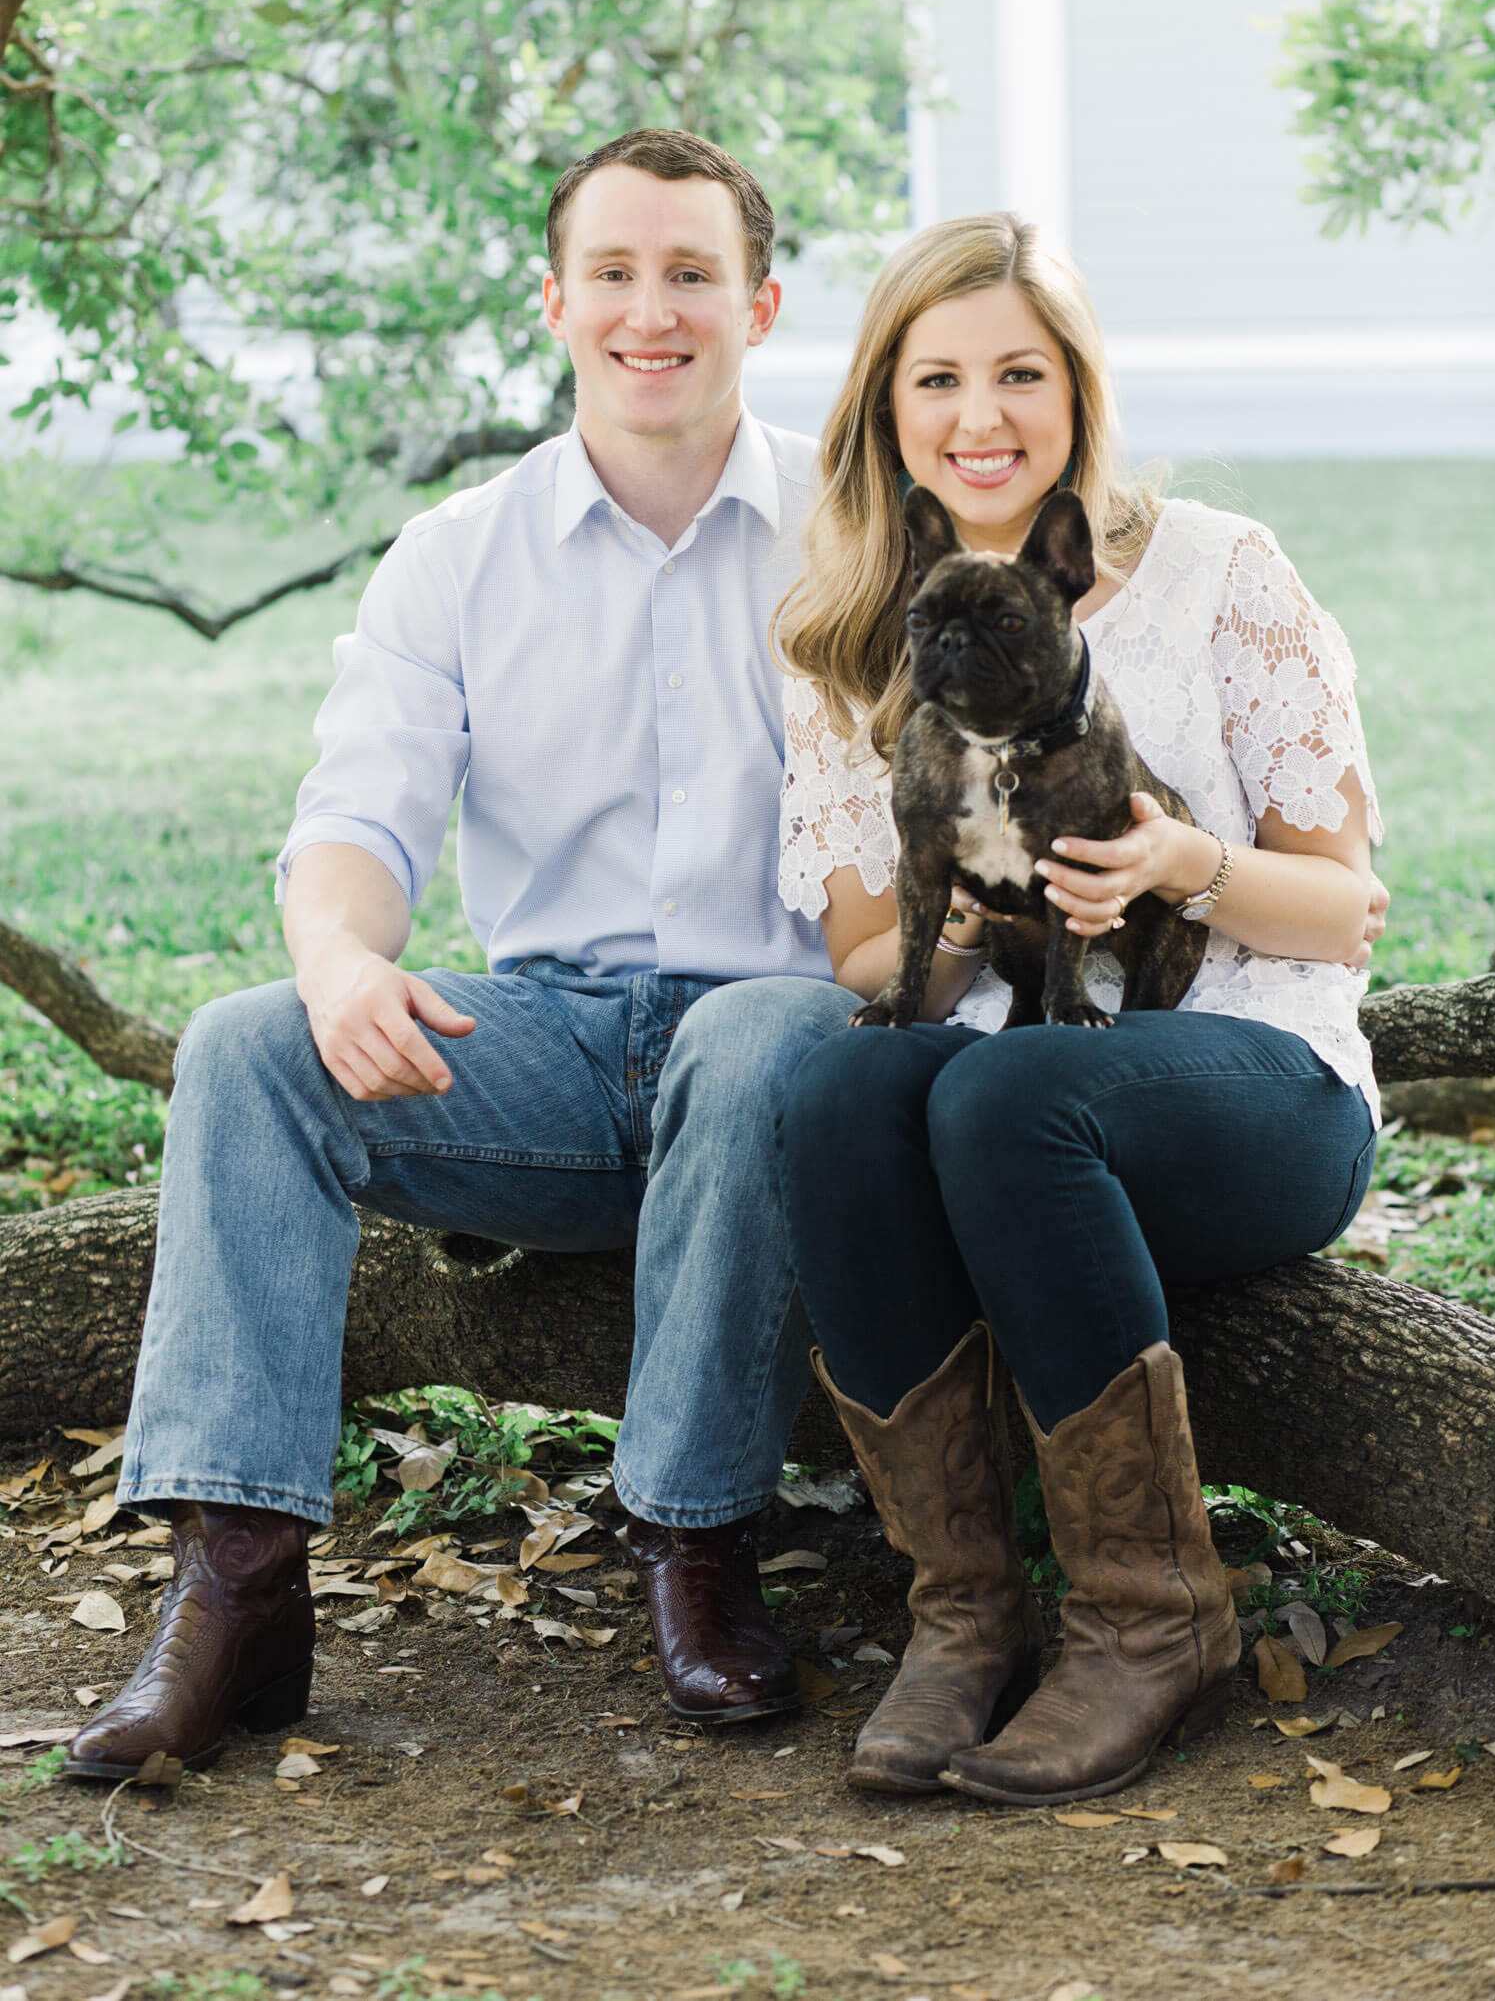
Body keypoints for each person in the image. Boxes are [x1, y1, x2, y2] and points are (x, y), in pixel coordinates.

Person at [64, 128, 859, 1783]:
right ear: (554, 298)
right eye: (618, 272)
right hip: (557, 1058)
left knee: (765, 1033)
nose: (655, 310)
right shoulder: (457, 554)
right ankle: (238, 1586)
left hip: (794, 1064)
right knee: (247, 1044)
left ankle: (695, 1539)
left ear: (763, 304)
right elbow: (356, 815)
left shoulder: (860, 534)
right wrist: (348, 966)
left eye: (694, 273)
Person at [768, 211, 1387, 1805]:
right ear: (886, 415)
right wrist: (968, 921)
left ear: (1079, 390)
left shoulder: (1217, 571)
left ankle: (1147, 1618)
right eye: (940, 381)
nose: (982, 416)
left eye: (1021, 374)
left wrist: (1184, 860)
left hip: (1259, 1074)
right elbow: (863, 951)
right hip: (1013, 1090)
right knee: (847, 1082)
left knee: (1005, 1092)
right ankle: (964, 1615)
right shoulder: (865, 631)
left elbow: (1346, 902)